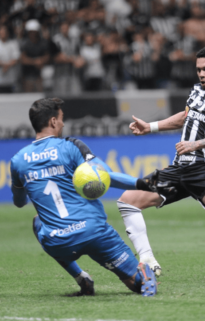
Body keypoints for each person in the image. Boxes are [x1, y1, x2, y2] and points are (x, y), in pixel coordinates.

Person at [118, 46, 205, 284]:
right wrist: (150, 127)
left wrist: (197, 144)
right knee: (127, 201)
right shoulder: (196, 90)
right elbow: (186, 116)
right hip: (180, 167)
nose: (201, 74)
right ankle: (147, 261)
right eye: (198, 69)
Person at [10, 98, 158, 296]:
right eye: (61, 119)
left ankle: (81, 277)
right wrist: (142, 184)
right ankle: (144, 276)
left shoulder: (18, 160)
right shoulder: (71, 147)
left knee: (38, 223)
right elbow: (106, 176)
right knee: (136, 283)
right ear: (53, 121)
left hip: (59, 243)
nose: (63, 124)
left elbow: (19, 202)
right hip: (94, 233)